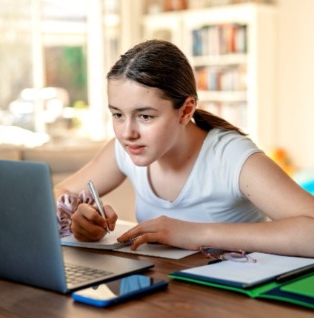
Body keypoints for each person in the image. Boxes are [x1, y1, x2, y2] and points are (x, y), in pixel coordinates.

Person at [55, 39, 314, 258]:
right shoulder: (125, 149)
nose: (127, 133)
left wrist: (196, 233)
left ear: (186, 110)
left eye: (145, 116)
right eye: (118, 115)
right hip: (165, 294)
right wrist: (82, 218)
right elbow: (61, 192)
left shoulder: (231, 157)